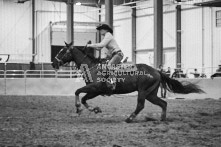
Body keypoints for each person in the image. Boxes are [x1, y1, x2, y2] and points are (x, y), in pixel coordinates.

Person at [87, 24, 124, 91]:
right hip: (115, 55)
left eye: (101, 29)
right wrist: (91, 46)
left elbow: (101, 45)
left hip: (118, 54)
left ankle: (113, 83)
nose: (100, 31)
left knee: (109, 65)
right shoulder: (107, 36)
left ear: (105, 30)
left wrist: (90, 45)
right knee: (104, 65)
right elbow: (99, 48)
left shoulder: (108, 35)